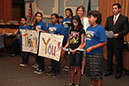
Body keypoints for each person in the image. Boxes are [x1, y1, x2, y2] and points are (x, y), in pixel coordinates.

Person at [104, 3, 129, 79]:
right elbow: (106, 28)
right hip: (110, 41)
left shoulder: (124, 18)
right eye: (113, 8)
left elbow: (126, 30)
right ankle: (109, 70)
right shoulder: (109, 18)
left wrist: (119, 34)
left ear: (119, 9)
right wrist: (105, 32)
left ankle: (119, 72)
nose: (113, 10)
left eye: (115, 8)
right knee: (109, 56)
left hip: (118, 41)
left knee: (118, 58)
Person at [85, 10, 107, 86]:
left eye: (90, 17)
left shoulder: (100, 28)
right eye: (88, 17)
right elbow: (87, 40)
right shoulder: (88, 28)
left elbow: (104, 42)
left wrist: (92, 47)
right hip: (88, 53)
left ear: (96, 18)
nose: (88, 19)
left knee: (97, 73)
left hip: (96, 54)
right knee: (91, 72)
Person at [64, 15, 85, 86]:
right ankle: (72, 82)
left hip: (78, 51)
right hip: (71, 50)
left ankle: (78, 83)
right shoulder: (71, 30)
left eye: (75, 22)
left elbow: (82, 42)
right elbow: (69, 40)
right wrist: (65, 47)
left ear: (78, 22)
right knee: (71, 67)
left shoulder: (81, 30)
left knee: (78, 67)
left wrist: (76, 49)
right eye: (73, 23)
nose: (74, 24)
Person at [46, 13, 63, 78]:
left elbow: (61, 34)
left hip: (57, 44)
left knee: (57, 58)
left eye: (53, 18)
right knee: (52, 57)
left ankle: (57, 71)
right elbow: (48, 32)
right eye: (51, 18)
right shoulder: (50, 25)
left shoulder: (59, 26)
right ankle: (52, 70)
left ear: (56, 19)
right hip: (50, 43)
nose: (52, 20)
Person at [76, 5, 90, 75]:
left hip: (83, 39)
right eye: (78, 11)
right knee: (76, 54)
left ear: (83, 12)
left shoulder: (86, 19)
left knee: (83, 55)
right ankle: (76, 68)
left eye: (81, 11)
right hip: (76, 39)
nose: (80, 12)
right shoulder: (75, 19)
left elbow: (87, 29)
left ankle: (82, 69)